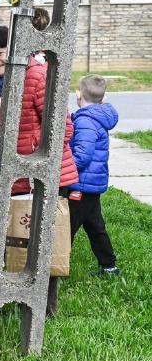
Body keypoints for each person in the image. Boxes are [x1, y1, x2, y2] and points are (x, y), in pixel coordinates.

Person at [0, 25, 79, 317]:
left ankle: (45, 310)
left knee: (43, 242)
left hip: (43, 176)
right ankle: (19, 300)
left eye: (0, 52)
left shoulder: (37, 76)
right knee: (17, 238)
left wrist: (35, 164)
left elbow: (63, 128)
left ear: (15, 50)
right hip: (14, 177)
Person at [68, 75, 120, 276]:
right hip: (91, 183)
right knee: (95, 225)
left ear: (78, 95)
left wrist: (64, 167)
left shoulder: (85, 121)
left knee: (66, 228)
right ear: (103, 98)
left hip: (80, 184)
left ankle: (55, 265)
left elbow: (82, 156)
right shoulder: (98, 117)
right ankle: (109, 266)